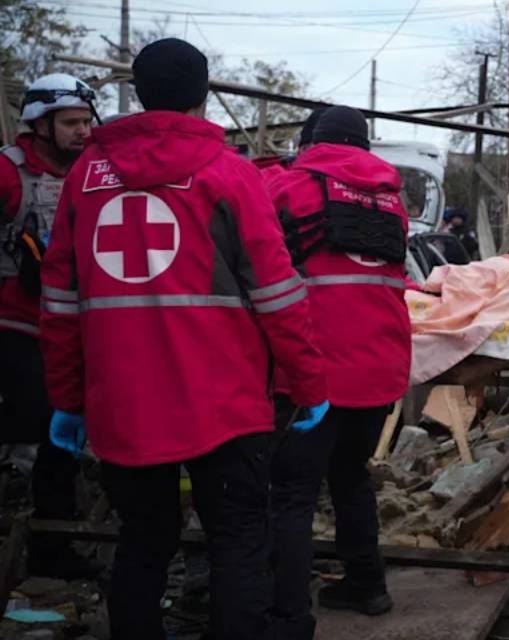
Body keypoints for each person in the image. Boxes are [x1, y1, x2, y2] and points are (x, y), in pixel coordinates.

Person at [39, 38, 329, 639]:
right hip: (225, 404)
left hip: (123, 403)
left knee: (142, 543)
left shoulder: (84, 180)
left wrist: (68, 400)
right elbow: (278, 294)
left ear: (137, 93)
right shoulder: (230, 174)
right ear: (203, 94)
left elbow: (61, 304)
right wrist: (307, 382)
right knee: (238, 541)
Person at [266, 105, 410, 630]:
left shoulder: (288, 187)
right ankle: (367, 586)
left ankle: (287, 612)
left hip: (315, 371)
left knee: (292, 494)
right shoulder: (392, 200)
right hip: (381, 367)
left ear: (312, 141)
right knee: (351, 478)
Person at [0, 73, 98, 578]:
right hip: (14, 323)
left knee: (64, 432)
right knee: (37, 421)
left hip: (72, 324)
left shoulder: (94, 173)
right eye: (71, 122)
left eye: (86, 121)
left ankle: (53, 547)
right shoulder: (8, 173)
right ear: (39, 125)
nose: (83, 131)